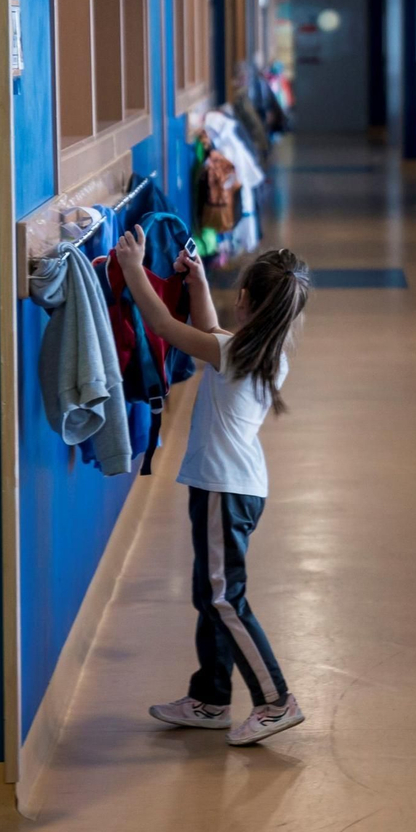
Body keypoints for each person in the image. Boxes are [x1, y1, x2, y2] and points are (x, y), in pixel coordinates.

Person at [112, 228, 312, 746]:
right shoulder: (260, 352)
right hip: (231, 486)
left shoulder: (234, 352)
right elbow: (210, 332)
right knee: (211, 594)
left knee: (225, 599)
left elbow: (164, 324)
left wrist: (133, 266)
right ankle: (211, 699)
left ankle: (275, 701)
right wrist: (198, 280)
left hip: (225, 489)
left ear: (246, 299)